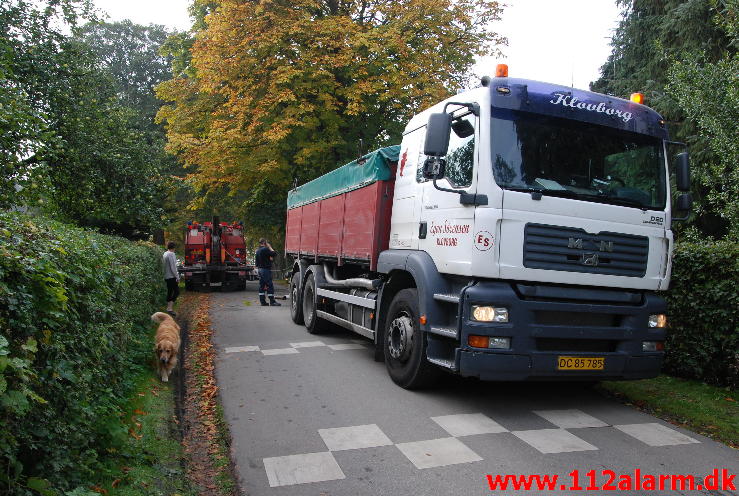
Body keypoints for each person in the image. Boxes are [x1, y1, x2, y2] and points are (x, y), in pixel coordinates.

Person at [255, 238, 280, 306]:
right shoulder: (265, 249)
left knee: (262, 286)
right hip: (265, 270)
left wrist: (269, 260)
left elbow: (259, 261)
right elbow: (274, 254)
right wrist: (270, 247)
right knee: (269, 285)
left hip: (260, 269)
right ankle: (272, 301)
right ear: (264, 242)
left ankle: (262, 301)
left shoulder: (257, 250)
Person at [163, 241, 180, 315]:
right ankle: (169, 308)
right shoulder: (171, 254)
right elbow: (173, 267)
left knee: (170, 291)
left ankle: (168, 308)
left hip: (166, 276)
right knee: (176, 292)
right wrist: (177, 277)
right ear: (174, 247)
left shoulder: (165, 253)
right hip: (171, 276)